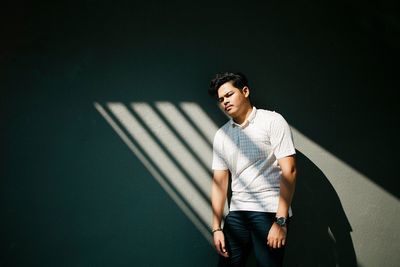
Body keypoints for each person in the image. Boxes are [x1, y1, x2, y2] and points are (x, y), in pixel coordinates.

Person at [209, 72, 297, 267]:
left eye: (229, 95)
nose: (225, 102)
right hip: (237, 213)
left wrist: (281, 221)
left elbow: (289, 170)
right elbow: (219, 182)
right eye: (221, 99)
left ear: (245, 91)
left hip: (269, 211)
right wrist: (216, 228)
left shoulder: (272, 121)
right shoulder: (222, 135)